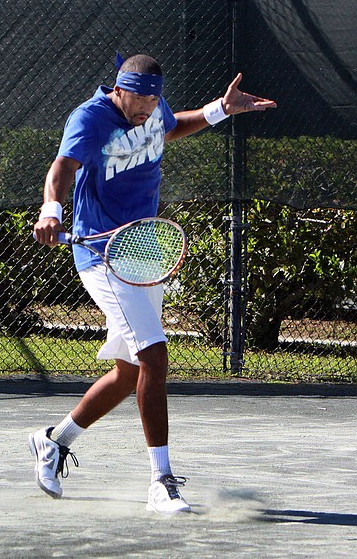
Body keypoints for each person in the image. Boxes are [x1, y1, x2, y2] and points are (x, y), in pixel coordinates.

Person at [30, 53, 276, 514]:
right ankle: (161, 482)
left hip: (142, 250)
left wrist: (219, 110)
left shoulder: (153, 108)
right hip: (102, 255)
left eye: (153, 98)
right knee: (154, 355)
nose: (146, 107)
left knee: (129, 372)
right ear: (118, 89)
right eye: (138, 98)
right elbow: (63, 168)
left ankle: (53, 441)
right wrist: (51, 209)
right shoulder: (90, 118)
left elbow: (168, 127)